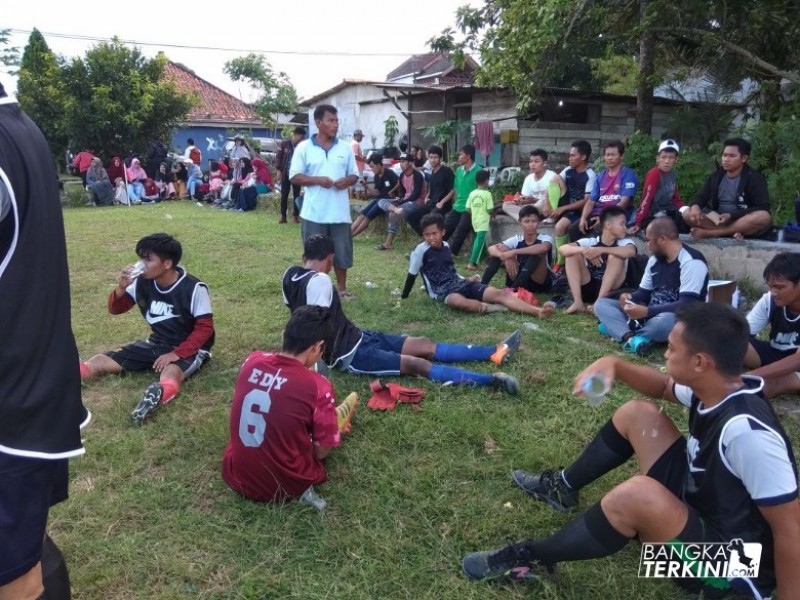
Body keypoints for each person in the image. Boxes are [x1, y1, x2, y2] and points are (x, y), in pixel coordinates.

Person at [462, 302, 800, 599]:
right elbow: (664, 385)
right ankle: (562, 488)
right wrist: (615, 365)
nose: (665, 354)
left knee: (638, 495)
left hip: (734, 569)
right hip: (702, 512)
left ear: (700, 362)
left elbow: (791, 528)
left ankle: (531, 559)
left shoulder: (748, 434)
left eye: (671, 349)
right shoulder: (718, 386)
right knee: (638, 414)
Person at [0, 83, 90, 600]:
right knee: (24, 554)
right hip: (32, 382)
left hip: (11, 404)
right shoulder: (21, 126)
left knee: (15, 575)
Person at [283, 234, 521, 394]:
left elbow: (294, 315)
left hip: (358, 336)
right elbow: (317, 331)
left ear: (305, 257)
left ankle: (494, 352)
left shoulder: (289, 275)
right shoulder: (321, 279)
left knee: (423, 343)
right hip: (349, 355)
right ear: (331, 258)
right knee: (417, 364)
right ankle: (492, 381)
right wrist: (318, 379)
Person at [221, 305, 359, 503]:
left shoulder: (251, 361)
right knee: (318, 436)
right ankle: (331, 424)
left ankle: (323, 422)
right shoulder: (318, 385)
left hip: (237, 475)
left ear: (285, 334)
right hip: (286, 485)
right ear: (317, 347)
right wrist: (332, 434)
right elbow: (320, 453)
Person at [79, 233, 215, 425]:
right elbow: (116, 309)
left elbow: (205, 328)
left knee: (171, 371)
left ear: (167, 264)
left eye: (148, 259)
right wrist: (120, 288)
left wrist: (176, 354)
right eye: (141, 258)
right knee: (99, 360)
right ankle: (64, 379)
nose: (141, 264)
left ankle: (158, 395)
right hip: (157, 343)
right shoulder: (142, 282)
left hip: (190, 348)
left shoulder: (194, 288)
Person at [404, 213, 554, 319]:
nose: (431, 238)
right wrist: (405, 295)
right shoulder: (419, 251)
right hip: (442, 292)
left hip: (460, 284)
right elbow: (412, 274)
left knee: (499, 294)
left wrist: (465, 279)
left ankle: (537, 311)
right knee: (458, 302)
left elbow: (449, 270)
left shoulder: (446, 246)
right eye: (427, 235)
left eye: (434, 233)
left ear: (442, 232)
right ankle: (492, 308)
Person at [595, 217, 708, 354]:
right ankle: (631, 338)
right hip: (649, 316)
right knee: (601, 304)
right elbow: (643, 293)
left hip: (678, 318)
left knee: (667, 321)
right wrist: (629, 298)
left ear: (662, 239)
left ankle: (619, 329)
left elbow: (687, 304)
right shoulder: (654, 260)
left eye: (648, 240)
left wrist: (647, 312)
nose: (647, 244)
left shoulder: (691, 261)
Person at [289, 104, 359, 299]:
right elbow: (294, 176)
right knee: (314, 253)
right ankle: (312, 288)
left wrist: (347, 181)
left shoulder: (345, 148)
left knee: (342, 252)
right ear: (319, 123)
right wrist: (317, 180)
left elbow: (354, 175)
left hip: (339, 213)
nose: (335, 125)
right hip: (314, 213)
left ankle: (342, 289)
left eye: (336, 121)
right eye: (331, 120)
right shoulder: (304, 147)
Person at [684, 138, 772, 240]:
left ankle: (713, 233)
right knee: (687, 213)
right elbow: (701, 196)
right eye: (724, 155)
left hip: (741, 219)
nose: (726, 159)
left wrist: (731, 215)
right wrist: (695, 206)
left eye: (732, 156)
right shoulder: (717, 175)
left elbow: (762, 207)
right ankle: (732, 232)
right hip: (718, 219)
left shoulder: (754, 177)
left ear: (744, 158)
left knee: (764, 216)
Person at [560, 206, 638, 314]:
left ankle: (598, 304)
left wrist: (600, 250)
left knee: (616, 257)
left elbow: (631, 251)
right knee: (572, 254)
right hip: (590, 286)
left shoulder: (625, 242)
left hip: (611, 291)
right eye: (622, 224)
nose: (625, 228)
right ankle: (578, 303)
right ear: (608, 225)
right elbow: (562, 249)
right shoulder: (591, 242)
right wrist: (584, 250)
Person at [745, 252, 800, 397]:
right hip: (777, 354)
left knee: (772, 383)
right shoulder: (770, 300)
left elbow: (797, 360)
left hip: (797, 363)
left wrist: (751, 375)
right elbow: (742, 333)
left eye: (779, 287)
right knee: (732, 339)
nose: (773, 292)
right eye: (771, 287)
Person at [571, 140, 638, 241]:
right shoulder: (600, 176)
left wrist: (604, 217)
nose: (609, 158)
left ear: (621, 156)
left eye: (613, 155)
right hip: (598, 213)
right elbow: (591, 201)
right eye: (607, 155)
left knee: (598, 233)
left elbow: (624, 202)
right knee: (573, 230)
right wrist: (583, 218)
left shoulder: (628, 175)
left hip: (617, 214)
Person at [481, 205, 554, 294]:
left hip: (538, 282)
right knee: (499, 253)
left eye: (534, 221)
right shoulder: (517, 239)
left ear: (538, 222)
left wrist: (513, 252)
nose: (530, 225)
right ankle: (481, 286)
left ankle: (513, 290)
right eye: (526, 221)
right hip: (519, 279)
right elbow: (491, 248)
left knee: (538, 252)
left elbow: (544, 248)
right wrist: (504, 256)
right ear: (520, 223)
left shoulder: (545, 238)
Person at [552, 140, 596, 268]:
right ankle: (560, 262)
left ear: (583, 157)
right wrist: (550, 206)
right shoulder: (568, 170)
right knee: (555, 178)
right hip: (569, 209)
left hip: (582, 212)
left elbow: (586, 200)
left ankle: (563, 262)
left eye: (573, 155)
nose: (569, 158)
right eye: (569, 155)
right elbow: (553, 183)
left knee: (561, 227)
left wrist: (563, 208)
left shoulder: (590, 175)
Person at [630, 139, 683, 234]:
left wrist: (684, 211)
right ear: (658, 158)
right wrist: (638, 222)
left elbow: (676, 198)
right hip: (653, 214)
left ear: (676, 160)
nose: (667, 161)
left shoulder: (672, 174)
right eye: (663, 157)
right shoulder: (654, 173)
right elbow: (646, 198)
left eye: (671, 158)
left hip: (668, 211)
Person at [376, 152, 425, 251]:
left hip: (417, 202)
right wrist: (398, 200)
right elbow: (402, 193)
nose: (401, 164)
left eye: (403, 161)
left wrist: (401, 202)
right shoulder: (402, 175)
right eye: (400, 162)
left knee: (394, 214)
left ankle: (388, 243)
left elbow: (415, 195)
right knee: (381, 201)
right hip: (405, 201)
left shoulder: (417, 175)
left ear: (410, 163)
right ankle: (395, 209)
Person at [502, 149, 565, 222]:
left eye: (536, 161)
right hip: (533, 207)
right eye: (531, 161)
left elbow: (556, 200)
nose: (532, 164)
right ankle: (527, 218)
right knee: (506, 205)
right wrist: (520, 200)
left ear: (544, 163)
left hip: (546, 207)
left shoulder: (553, 177)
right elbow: (526, 197)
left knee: (541, 203)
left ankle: (526, 217)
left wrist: (535, 200)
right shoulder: (528, 178)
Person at [406, 145, 455, 236]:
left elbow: (452, 191)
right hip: (431, 204)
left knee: (429, 219)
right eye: (431, 157)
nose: (433, 160)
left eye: (435, 157)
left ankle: (433, 238)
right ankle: (426, 237)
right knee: (410, 216)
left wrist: (442, 202)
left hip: (442, 206)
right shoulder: (432, 172)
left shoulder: (447, 171)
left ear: (440, 158)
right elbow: (431, 187)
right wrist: (427, 197)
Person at [443, 144, 480, 256]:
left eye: (461, 155)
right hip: (458, 205)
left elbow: (481, 191)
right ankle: (430, 248)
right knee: (445, 228)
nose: (459, 157)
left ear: (468, 156)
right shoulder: (459, 170)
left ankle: (451, 253)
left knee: (461, 229)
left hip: (471, 208)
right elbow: (456, 189)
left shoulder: (479, 171)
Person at [350, 153, 400, 237]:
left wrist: (392, 191)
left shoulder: (389, 173)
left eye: (372, 167)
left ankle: (352, 236)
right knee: (362, 215)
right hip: (379, 199)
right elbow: (377, 193)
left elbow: (399, 183)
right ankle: (348, 234)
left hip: (388, 200)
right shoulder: (376, 176)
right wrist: (366, 186)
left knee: (367, 217)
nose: (371, 169)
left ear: (379, 165)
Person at [465, 169, 494, 270]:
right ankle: (472, 263)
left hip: (475, 220)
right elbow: (489, 209)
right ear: (487, 181)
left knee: (480, 240)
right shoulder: (487, 194)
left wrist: (475, 213)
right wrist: (492, 214)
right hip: (484, 221)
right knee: (480, 241)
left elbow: (467, 208)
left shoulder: (472, 193)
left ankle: (483, 258)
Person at [276, 126, 306, 223]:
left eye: (303, 138)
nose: (302, 140)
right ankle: (283, 216)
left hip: (297, 175)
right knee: (284, 194)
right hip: (285, 173)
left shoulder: (302, 147)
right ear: (295, 135)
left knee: (297, 195)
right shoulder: (284, 144)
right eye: (301, 137)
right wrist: (278, 170)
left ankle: (295, 216)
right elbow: (278, 157)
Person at [350, 129, 367, 200]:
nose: (361, 138)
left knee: (353, 186)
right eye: (361, 136)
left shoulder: (351, 143)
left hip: (354, 168)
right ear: (357, 136)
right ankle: (358, 200)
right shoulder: (355, 144)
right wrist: (364, 160)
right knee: (359, 185)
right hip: (358, 168)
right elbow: (355, 156)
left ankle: (352, 200)